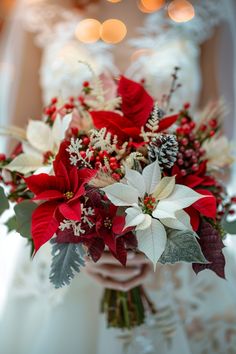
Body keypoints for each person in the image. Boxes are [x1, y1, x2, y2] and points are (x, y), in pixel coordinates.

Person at [0, 1, 236, 353]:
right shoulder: (39, 11)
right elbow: (18, 150)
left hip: (174, 244)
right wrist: (85, 236)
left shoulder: (203, 11)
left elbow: (220, 151)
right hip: (66, 239)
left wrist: (158, 236)